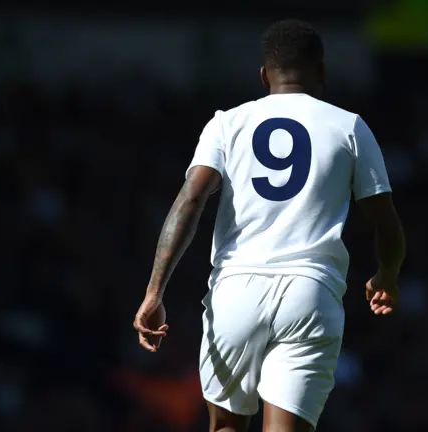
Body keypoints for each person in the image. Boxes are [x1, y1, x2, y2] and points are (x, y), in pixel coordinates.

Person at [133, 19, 405, 432]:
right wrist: (387, 274)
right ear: (322, 72)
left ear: (264, 76)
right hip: (309, 290)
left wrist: (155, 290)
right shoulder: (350, 126)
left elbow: (189, 201)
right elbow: (386, 223)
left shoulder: (227, 123)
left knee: (225, 427)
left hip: (235, 290)